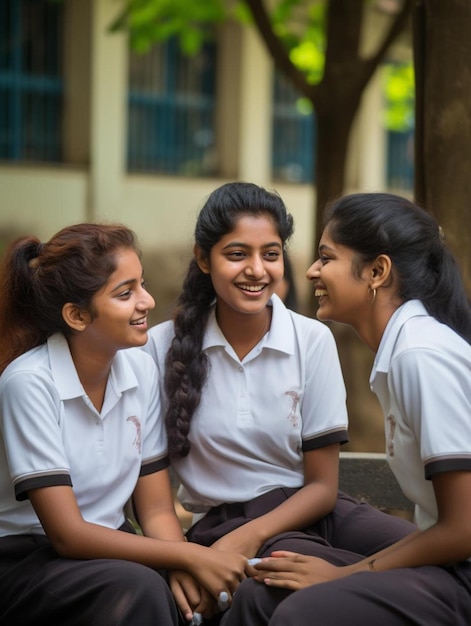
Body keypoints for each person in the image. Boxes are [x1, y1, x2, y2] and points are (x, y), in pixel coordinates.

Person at [143, 182, 416, 624]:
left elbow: (322, 487)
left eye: (270, 254)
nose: (257, 270)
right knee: (312, 586)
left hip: (315, 511)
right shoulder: (158, 349)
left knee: (429, 559)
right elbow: (154, 502)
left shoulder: (311, 339)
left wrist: (250, 538)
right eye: (237, 254)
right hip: (224, 524)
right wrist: (183, 558)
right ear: (202, 258)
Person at [0, 223, 251, 626]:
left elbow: (154, 509)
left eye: (143, 284)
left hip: (114, 550)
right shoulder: (28, 383)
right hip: (29, 557)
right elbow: (67, 534)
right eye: (125, 293)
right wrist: (191, 554)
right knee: (139, 588)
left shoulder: (139, 368)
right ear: (77, 315)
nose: (147, 301)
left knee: (198, 595)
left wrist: (182, 567)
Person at [248, 192, 471, 625]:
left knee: (304, 612)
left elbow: (463, 529)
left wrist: (344, 575)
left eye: (326, 257)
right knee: (268, 589)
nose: (312, 270)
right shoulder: (405, 349)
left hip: (461, 574)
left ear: (377, 271)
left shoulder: (419, 355)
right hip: (450, 564)